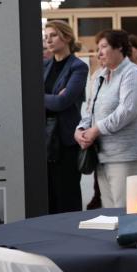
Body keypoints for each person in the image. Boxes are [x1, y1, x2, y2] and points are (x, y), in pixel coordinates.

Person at [75, 30, 137, 208]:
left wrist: (95, 130)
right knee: (110, 211)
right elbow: (90, 108)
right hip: (103, 155)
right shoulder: (99, 76)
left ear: (119, 47)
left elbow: (127, 111)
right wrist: (80, 129)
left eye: (104, 47)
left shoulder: (132, 73)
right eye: (98, 48)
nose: (99, 53)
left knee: (126, 209)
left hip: (128, 155)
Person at [43, 20, 89, 213]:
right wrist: (52, 98)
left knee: (67, 196)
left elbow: (64, 102)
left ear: (67, 37)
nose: (48, 40)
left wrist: (41, 98)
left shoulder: (78, 67)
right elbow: (27, 98)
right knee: (48, 196)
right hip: (44, 139)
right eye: (46, 37)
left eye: (53, 35)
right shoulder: (43, 66)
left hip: (65, 140)